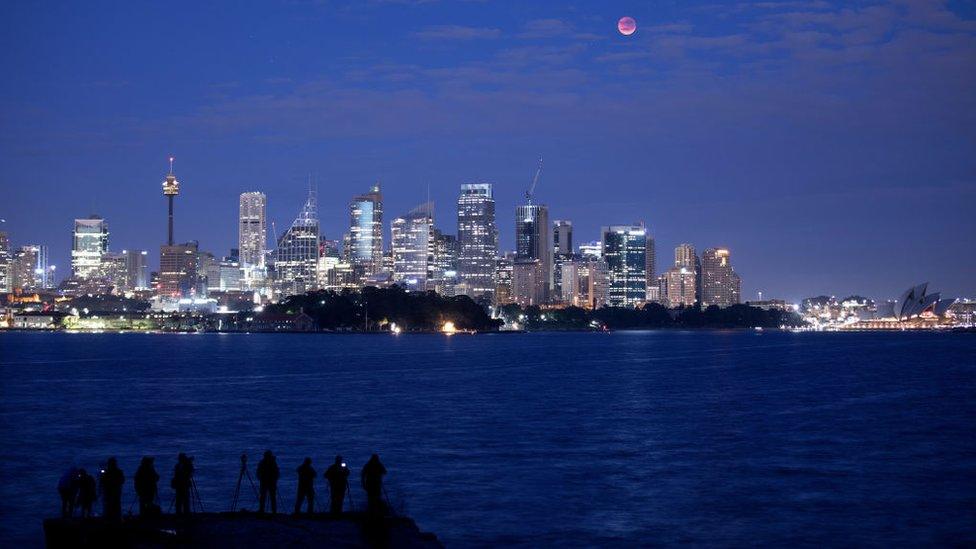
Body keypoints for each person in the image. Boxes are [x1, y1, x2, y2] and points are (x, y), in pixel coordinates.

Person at [256, 450, 280, 514]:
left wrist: (260, 478)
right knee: (269, 497)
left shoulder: (264, 463)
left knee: (265, 497)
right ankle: (272, 511)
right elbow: (277, 473)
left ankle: (264, 510)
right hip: (269, 482)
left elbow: (258, 472)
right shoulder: (273, 463)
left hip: (267, 482)